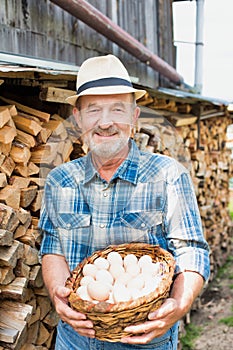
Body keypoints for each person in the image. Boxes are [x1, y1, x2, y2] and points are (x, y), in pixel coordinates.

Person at [39, 54, 210, 350]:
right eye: (94, 110)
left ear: (134, 116)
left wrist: (179, 305)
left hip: (146, 338)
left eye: (117, 109)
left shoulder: (168, 176)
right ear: (77, 118)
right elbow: (52, 248)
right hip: (74, 339)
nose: (105, 123)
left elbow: (191, 250)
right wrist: (57, 292)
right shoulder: (59, 181)